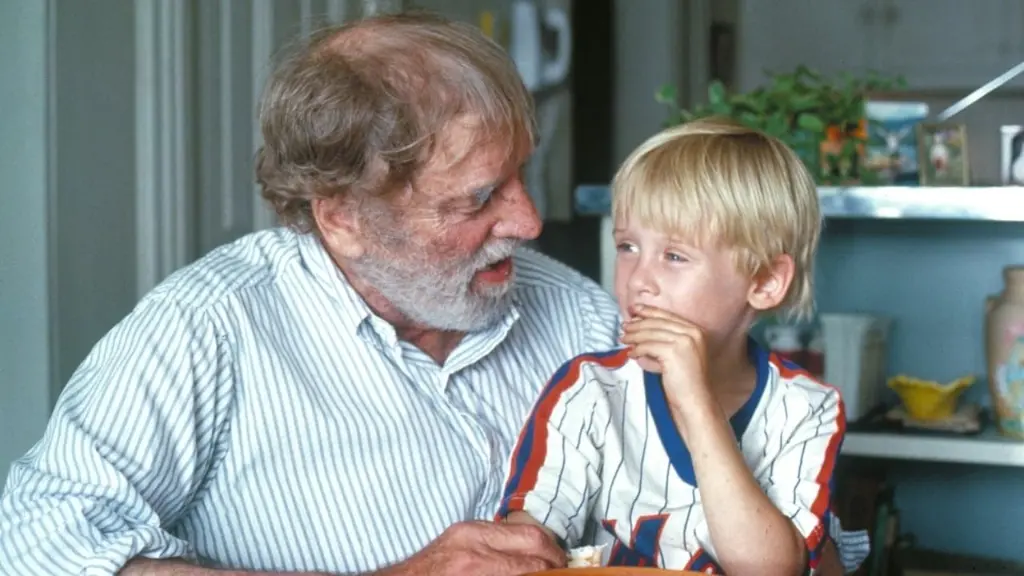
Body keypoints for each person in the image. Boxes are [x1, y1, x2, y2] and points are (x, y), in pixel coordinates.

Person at [0, 11, 862, 576]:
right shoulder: (207, 329)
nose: (528, 222)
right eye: (478, 199)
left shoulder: (580, 313)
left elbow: (762, 523)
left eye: (521, 177)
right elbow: (39, 548)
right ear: (342, 217)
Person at [497, 118, 870, 575]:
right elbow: (524, 550)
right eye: (628, 246)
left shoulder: (807, 408)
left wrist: (695, 400)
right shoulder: (588, 389)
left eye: (674, 256)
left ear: (765, 282)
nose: (638, 280)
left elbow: (768, 571)